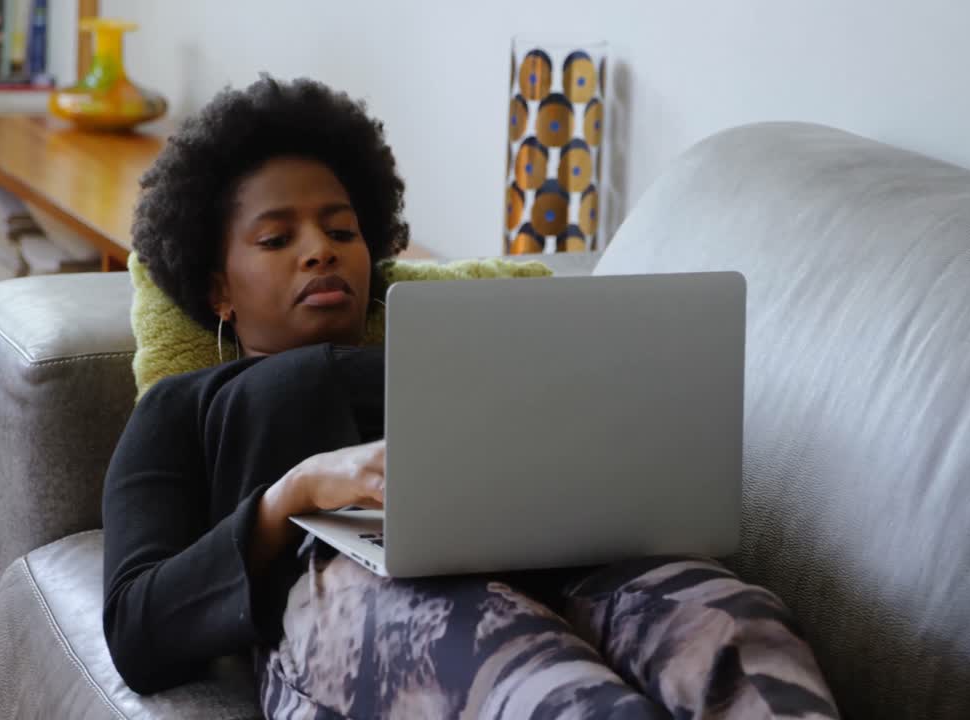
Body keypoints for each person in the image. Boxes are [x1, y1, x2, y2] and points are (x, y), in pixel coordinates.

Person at [102, 76, 839, 719]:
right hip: (350, 592)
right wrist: (291, 495)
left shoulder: (467, 352)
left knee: (737, 631)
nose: (320, 249)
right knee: (543, 687)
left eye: (341, 229)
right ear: (218, 290)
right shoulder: (182, 407)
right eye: (276, 238)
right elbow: (137, 628)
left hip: (573, 561)